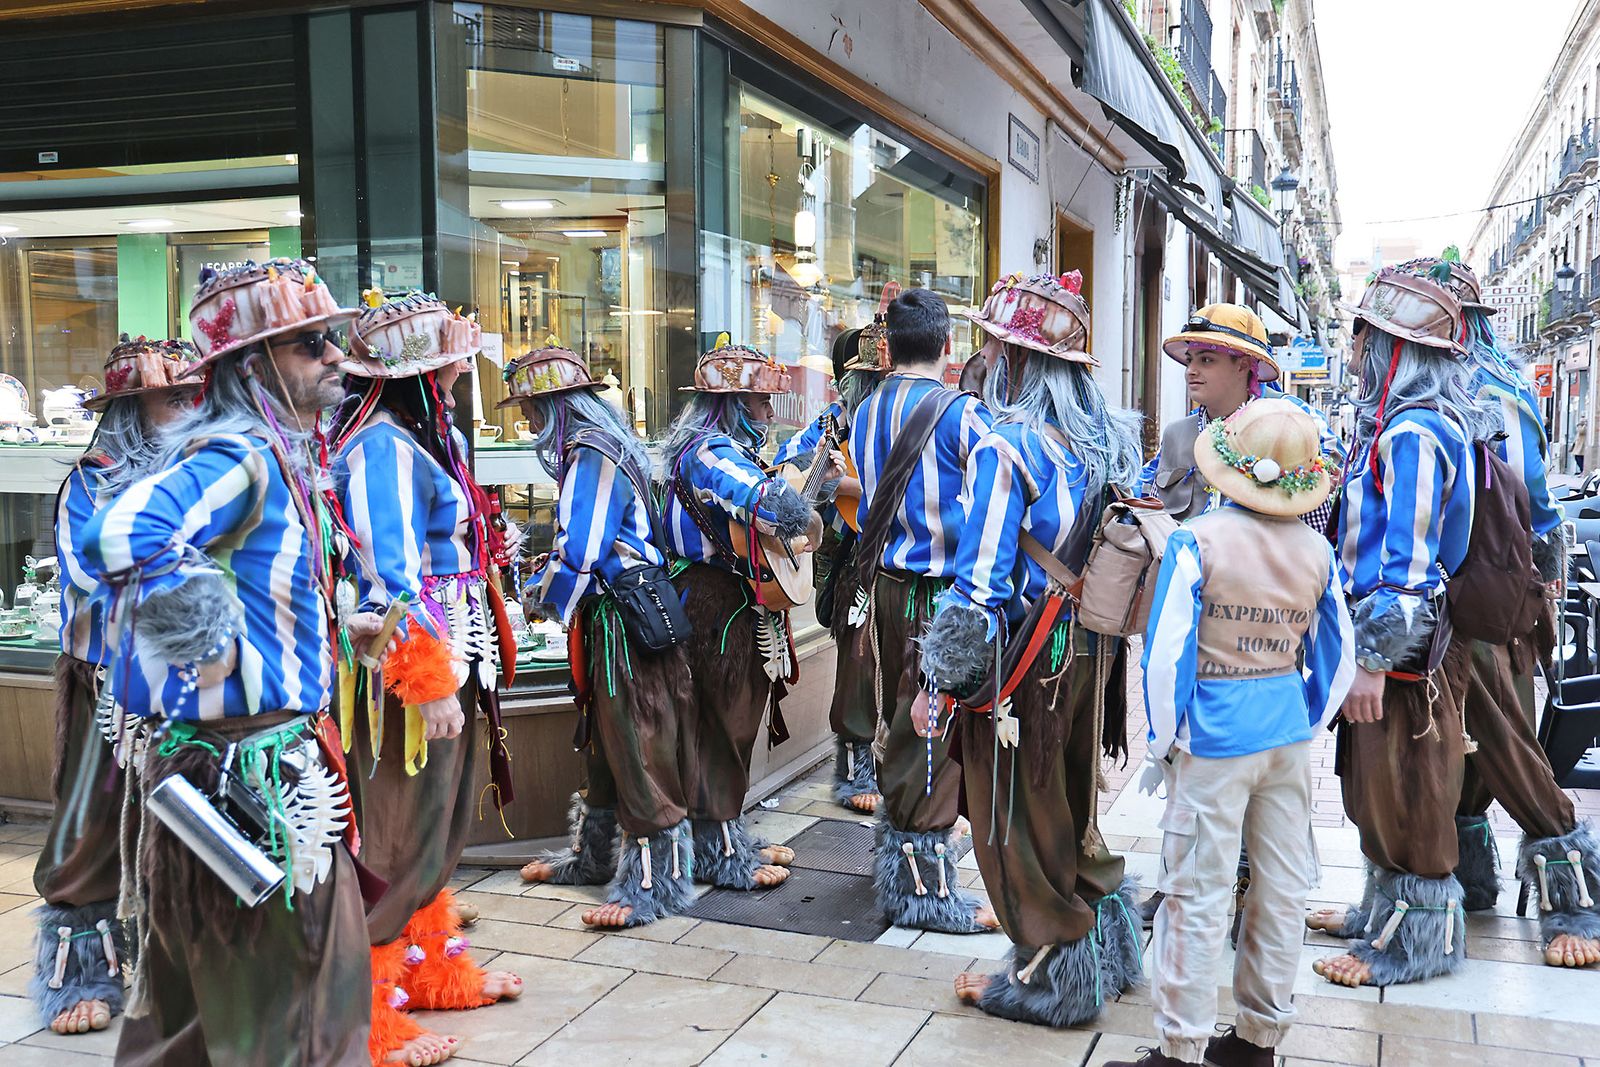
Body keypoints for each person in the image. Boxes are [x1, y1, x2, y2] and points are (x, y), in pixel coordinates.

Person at [82, 259, 369, 1064]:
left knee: (226, 1016)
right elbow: (116, 535)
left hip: (264, 767)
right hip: (244, 779)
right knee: (289, 1010)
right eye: (311, 344)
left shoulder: (283, 457)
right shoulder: (239, 456)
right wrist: (201, 636)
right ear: (253, 366)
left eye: (330, 338)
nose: (335, 355)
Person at [918, 271, 1145, 1024]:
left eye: (993, 344)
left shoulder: (1008, 445)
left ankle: (1051, 972)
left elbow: (978, 585)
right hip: (1088, 651)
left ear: (1013, 360)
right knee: (1071, 804)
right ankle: (1102, 945)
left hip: (1026, 657)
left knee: (1011, 814)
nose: (986, 356)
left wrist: (937, 682)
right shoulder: (1102, 444)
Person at [1111, 399, 1355, 1067]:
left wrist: (1165, 739)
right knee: (1280, 890)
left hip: (1215, 737)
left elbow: (1167, 654)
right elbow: (1338, 658)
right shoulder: (1316, 549)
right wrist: (1303, 717)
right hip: (1284, 734)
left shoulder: (1200, 540)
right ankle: (1258, 1040)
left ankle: (1181, 1048)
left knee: (1196, 891)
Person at [331, 291, 522, 1066]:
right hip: (413, 672)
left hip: (453, 654)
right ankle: (366, 1021)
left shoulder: (416, 439)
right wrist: (428, 677)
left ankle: (433, 975)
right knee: (397, 834)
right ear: (418, 374)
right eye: (445, 367)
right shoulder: (382, 446)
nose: (455, 379)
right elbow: (386, 581)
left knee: (436, 830)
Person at [1399, 256, 1599, 967]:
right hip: (1486, 597)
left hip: (1486, 601)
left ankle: (1578, 900)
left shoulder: (1482, 394)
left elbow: (1531, 502)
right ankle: (1465, 878)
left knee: (1509, 748)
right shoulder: (1489, 385)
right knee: (1460, 752)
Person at [1307, 267, 1484, 987]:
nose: (1353, 350)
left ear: (1390, 349)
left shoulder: (1413, 433)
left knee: (1406, 784)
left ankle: (1412, 944)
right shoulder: (1409, 426)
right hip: (1396, 644)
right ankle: (1380, 913)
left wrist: (1374, 659)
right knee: (1375, 782)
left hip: (1405, 653)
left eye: (1364, 336)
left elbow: (1407, 568)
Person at [28, 336, 200, 1037]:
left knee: (199, 825)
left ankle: (190, 956)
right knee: (94, 825)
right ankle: (82, 968)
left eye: (196, 395)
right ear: (132, 409)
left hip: (199, 684)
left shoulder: (211, 468)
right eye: (172, 397)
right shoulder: (93, 480)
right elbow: (96, 576)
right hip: (111, 679)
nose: (189, 409)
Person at [509, 341, 696, 928]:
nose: (529, 423)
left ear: (555, 407)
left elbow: (581, 550)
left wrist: (541, 600)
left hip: (620, 616)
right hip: (616, 613)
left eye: (532, 410)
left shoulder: (592, 455)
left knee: (635, 743)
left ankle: (649, 883)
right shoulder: (605, 447)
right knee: (608, 745)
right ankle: (592, 857)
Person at [848, 288, 999, 934]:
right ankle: (924, 890)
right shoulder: (963, 416)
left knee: (899, 720)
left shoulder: (862, 411)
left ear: (891, 346)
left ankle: (903, 857)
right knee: (931, 731)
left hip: (885, 589)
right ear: (946, 348)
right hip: (941, 597)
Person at [657, 335, 819, 889]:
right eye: (761, 404)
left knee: (731, 720)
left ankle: (726, 835)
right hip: (710, 603)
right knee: (722, 723)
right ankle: (719, 849)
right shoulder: (709, 452)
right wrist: (802, 517)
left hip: (723, 598)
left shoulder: (717, 447)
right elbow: (769, 504)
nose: (769, 414)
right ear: (732, 405)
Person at [772, 323, 884, 814]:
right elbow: (787, 476)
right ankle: (857, 765)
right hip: (856, 563)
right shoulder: (832, 426)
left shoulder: (912, 418)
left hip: (909, 562)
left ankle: (899, 767)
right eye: (873, 380)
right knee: (860, 662)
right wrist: (838, 486)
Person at [1142, 304, 1345, 530]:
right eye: (1189, 360)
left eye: (1206, 360)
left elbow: (1319, 521)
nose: (1191, 370)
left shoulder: (1293, 422)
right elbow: (1149, 507)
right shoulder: (1176, 435)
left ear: (1243, 365)